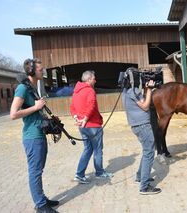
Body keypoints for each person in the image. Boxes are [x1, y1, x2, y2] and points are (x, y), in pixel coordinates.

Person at [10, 58, 59, 213]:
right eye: (40, 69)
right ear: (31, 70)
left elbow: (35, 112)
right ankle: (40, 205)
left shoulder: (32, 87)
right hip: (32, 137)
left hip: (39, 134)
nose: (42, 71)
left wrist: (49, 120)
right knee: (35, 171)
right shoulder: (22, 89)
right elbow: (13, 114)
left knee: (39, 170)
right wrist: (36, 106)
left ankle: (42, 198)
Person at [70, 70, 113, 184]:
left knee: (87, 149)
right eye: (94, 78)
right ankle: (99, 172)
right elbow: (91, 106)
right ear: (89, 79)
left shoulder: (76, 91)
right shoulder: (90, 90)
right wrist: (85, 118)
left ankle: (79, 174)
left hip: (82, 127)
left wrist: (77, 118)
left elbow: (72, 108)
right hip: (93, 125)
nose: (95, 80)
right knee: (98, 149)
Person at [122, 79, 161, 195]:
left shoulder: (126, 91)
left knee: (146, 151)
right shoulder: (133, 91)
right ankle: (144, 186)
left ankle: (140, 176)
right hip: (143, 126)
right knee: (149, 153)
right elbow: (145, 106)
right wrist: (149, 90)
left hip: (136, 125)